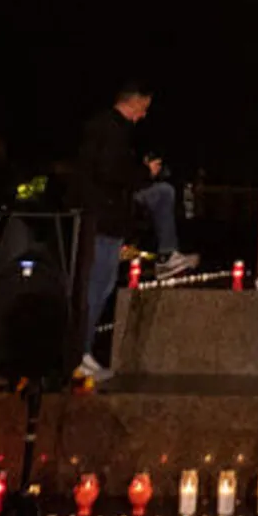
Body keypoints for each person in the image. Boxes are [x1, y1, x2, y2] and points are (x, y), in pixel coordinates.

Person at [72, 83, 199, 383]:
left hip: (111, 212)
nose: (144, 115)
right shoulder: (110, 129)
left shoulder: (109, 129)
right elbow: (109, 172)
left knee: (163, 193)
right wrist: (143, 173)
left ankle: (168, 254)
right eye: (144, 108)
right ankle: (79, 355)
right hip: (102, 220)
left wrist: (141, 173)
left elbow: (112, 169)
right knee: (96, 289)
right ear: (135, 102)